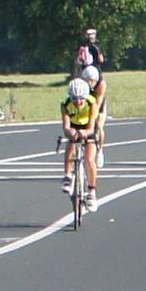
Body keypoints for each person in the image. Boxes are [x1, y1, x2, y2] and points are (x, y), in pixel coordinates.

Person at [61, 78, 99, 212]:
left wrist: (86, 133)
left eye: (81, 99)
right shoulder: (65, 104)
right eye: (74, 99)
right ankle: (68, 176)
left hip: (88, 127)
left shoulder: (91, 103)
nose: (78, 102)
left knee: (89, 159)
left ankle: (92, 192)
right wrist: (70, 132)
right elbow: (65, 126)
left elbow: (91, 127)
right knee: (71, 144)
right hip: (74, 126)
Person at [81, 65, 107, 168]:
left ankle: (100, 150)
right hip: (85, 104)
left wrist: (94, 116)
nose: (90, 83)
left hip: (97, 104)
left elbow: (99, 103)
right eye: (87, 80)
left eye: (92, 81)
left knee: (99, 126)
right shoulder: (81, 85)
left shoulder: (101, 85)